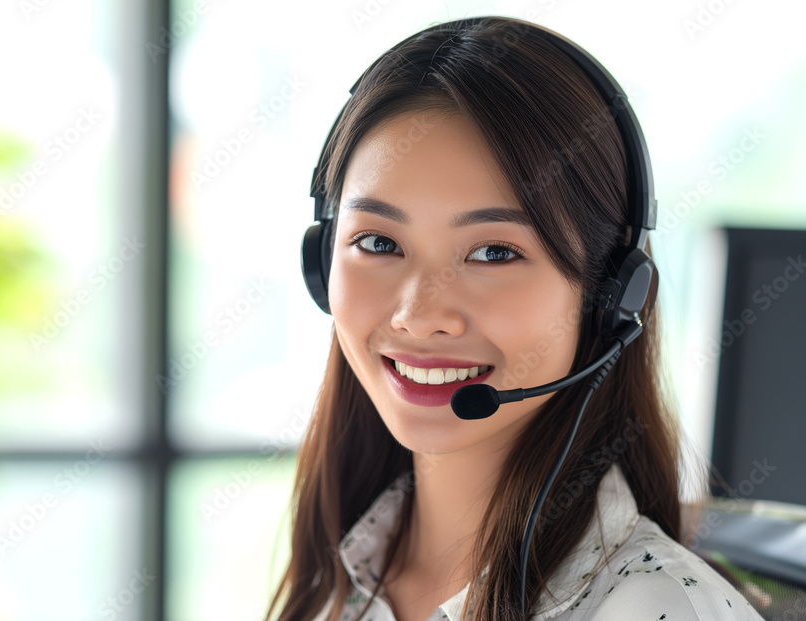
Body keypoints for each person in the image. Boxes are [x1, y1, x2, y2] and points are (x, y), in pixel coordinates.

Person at [266, 16, 765, 621]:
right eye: (377, 243)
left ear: (611, 296)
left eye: (494, 253)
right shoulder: (336, 579)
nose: (419, 316)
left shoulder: (655, 608)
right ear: (322, 262)